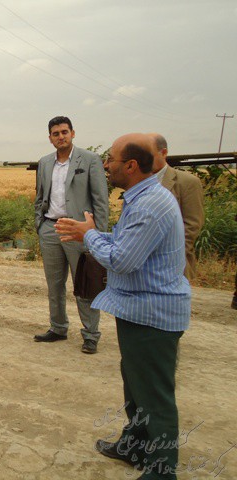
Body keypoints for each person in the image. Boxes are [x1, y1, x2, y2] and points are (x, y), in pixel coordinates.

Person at [56, 133, 190, 480]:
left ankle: (162, 471)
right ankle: (134, 446)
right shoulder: (141, 197)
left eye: (111, 159)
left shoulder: (150, 205)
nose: (106, 165)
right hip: (139, 312)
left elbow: (122, 259)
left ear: (131, 166)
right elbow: (124, 242)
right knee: (136, 387)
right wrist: (91, 233)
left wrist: (89, 236)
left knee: (154, 397)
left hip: (153, 316)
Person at [33, 116, 109, 354]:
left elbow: (100, 201)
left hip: (78, 230)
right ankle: (58, 327)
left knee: (84, 284)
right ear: (50, 138)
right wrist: (39, 224)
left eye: (64, 132)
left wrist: (97, 235)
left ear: (73, 133)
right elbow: (40, 196)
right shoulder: (45, 162)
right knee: (54, 284)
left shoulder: (90, 160)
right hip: (50, 228)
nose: (61, 137)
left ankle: (90, 334)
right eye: (56, 134)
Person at [148, 133, 204, 279]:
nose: (144, 160)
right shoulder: (137, 181)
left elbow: (192, 224)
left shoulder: (187, 182)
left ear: (164, 153)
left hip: (174, 265)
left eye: (149, 155)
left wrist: (168, 253)